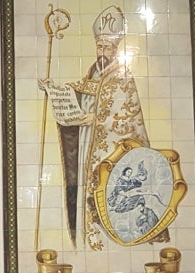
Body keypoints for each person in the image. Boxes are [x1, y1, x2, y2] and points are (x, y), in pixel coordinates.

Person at [40, 6, 151, 251]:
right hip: (86, 143)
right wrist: (53, 88)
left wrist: (96, 119)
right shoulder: (94, 71)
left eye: (107, 48)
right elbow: (81, 88)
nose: (102, 52)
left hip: (107, 150)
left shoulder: (123, 76)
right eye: (99, 47)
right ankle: (84, 242)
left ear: (116, 49)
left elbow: (127, 118)